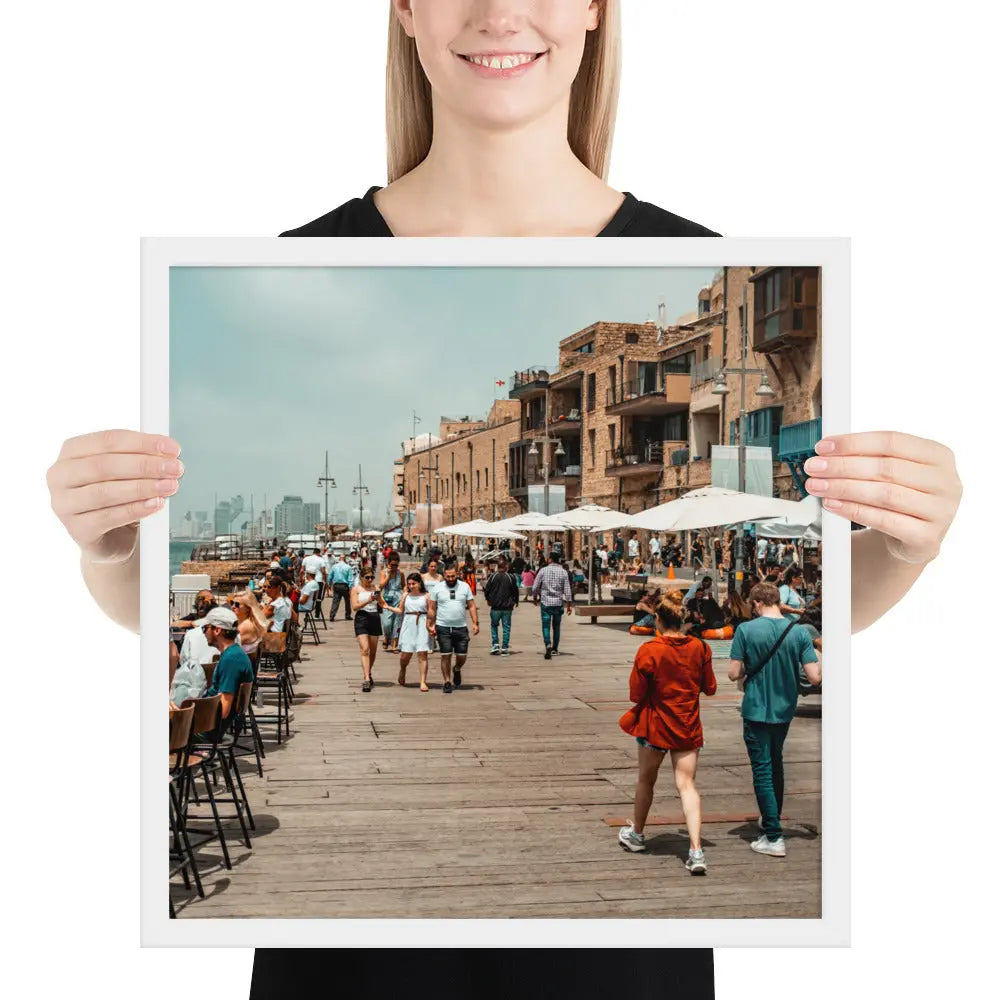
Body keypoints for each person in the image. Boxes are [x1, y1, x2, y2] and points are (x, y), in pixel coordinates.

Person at [41, 2, 963, 996]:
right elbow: (131, 611)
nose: (498, 9)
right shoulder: (285, 246)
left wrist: (908, 544)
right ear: (400, 8)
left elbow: (843, 606)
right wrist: (106, 549)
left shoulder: (724, 248)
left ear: (599, 8)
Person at [617, 597, 717, 872]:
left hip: (655, 725)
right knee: (687, 785)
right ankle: (696, 850)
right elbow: (710, 687)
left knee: (646, 780)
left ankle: (637, 834)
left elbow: (636, 693)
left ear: (658, 621)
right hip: (686, 724)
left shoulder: (649, 650)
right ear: (682, 620)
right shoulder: (699, 647)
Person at [728, 582, 822, 857]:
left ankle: (773, 835)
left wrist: (748, 663)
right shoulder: (799, 632)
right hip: (784, 708)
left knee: (762, 770)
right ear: (778, 602)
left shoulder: (745, 630)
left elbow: (733, 674)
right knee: (776, 763)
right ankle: (772, 817)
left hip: (756, 707)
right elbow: (815, 677)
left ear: (757, 603)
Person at [427, 563, 479, 692]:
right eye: (448, 576)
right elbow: (432, 608)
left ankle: (457, 669)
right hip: (443, 626)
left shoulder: (464, 587)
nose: (450, 579)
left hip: (460, 627)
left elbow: (471, 605)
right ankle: (447, 682)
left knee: (462, 656)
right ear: (444, 575)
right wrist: (429, 623)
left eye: (453, 576)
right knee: (446, 654)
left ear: (457, 575)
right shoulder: (437, 588)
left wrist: (475, 623)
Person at [198, 606, 254, 720]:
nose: (203, 633)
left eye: (205, 628)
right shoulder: (234, 653)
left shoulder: (231, 659)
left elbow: (224, 710)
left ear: (217, 630)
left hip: (205, 729)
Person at [387, 573, 434, 692]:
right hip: (409, 623)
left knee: (422, 654)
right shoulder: (406, 595)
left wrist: (432, 625)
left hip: (423, 623)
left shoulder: (427, 595)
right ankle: (402, 669)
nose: (411, 586)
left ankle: (423, 681)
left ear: (419, 583)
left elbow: (431, 611)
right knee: (405, 655)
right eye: (409, 584)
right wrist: (388, 607)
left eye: (414, 583)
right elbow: (400, 610)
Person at [531, 551, 574, 659]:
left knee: (546, 625)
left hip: (545, 602)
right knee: (556, 626)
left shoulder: (543, 570)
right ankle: (555, 648)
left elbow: (535, 586)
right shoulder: (563, 572)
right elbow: (567, 589)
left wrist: (535, 597)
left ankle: (548, 645)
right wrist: (569, 603)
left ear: (550, 559)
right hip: (558, 603)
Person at [351, 568, 385, 692]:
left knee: (373, 651)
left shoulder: (375, 588)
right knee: (365, 649)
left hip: (374, 618)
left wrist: (378, 599)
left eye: (371, 577)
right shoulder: (356, 590)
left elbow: (382, 603)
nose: (370, 580)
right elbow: (354, 607)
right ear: (361, 577)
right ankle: (366, 678)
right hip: (362, 617)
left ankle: (368, 672)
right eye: (367, 577)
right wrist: (368, 600)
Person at [483, 556, 520, 655]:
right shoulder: (511, 577)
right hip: (507, 607)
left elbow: (487, 589)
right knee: (506, 627)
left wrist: (488, 599)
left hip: (495, 607)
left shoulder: (493, 576)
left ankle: (495, 645)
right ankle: (504, 648)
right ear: (505, 566)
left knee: (494, 626)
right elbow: (515, 591)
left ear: (497, 566)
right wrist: (516, 601)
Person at [379, 551, 406, 652]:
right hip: (387, 600)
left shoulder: (401, 573)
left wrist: (405, 593)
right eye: (392, 564)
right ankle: (387, 637)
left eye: (396, 564)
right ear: (388, 563)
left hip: (398, 599)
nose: (394, 567)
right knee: (387, 623)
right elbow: (381, 585)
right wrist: (388, 575)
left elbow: (403, 585)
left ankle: (395, 643)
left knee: (397, 623)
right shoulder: (384, 572)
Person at [230, 590, 269, 654]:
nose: (233, 606)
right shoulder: (251, 621)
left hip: (240, 662)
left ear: (247, 608)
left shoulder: (245, 626)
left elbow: (229, 648)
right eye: (232, 603)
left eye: (237, 604)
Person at [328, 554, 354, 621]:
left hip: (336, 585)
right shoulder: (348, 567)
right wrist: (350, 588)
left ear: (339, 559)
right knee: (347, 601)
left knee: (335, 601)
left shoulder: (334, 567)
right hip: (344, 586)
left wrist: (329, 585)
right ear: (345, 559)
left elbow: (330, 577)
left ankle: (332, 616)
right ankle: (348, 615)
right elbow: (350, 579)